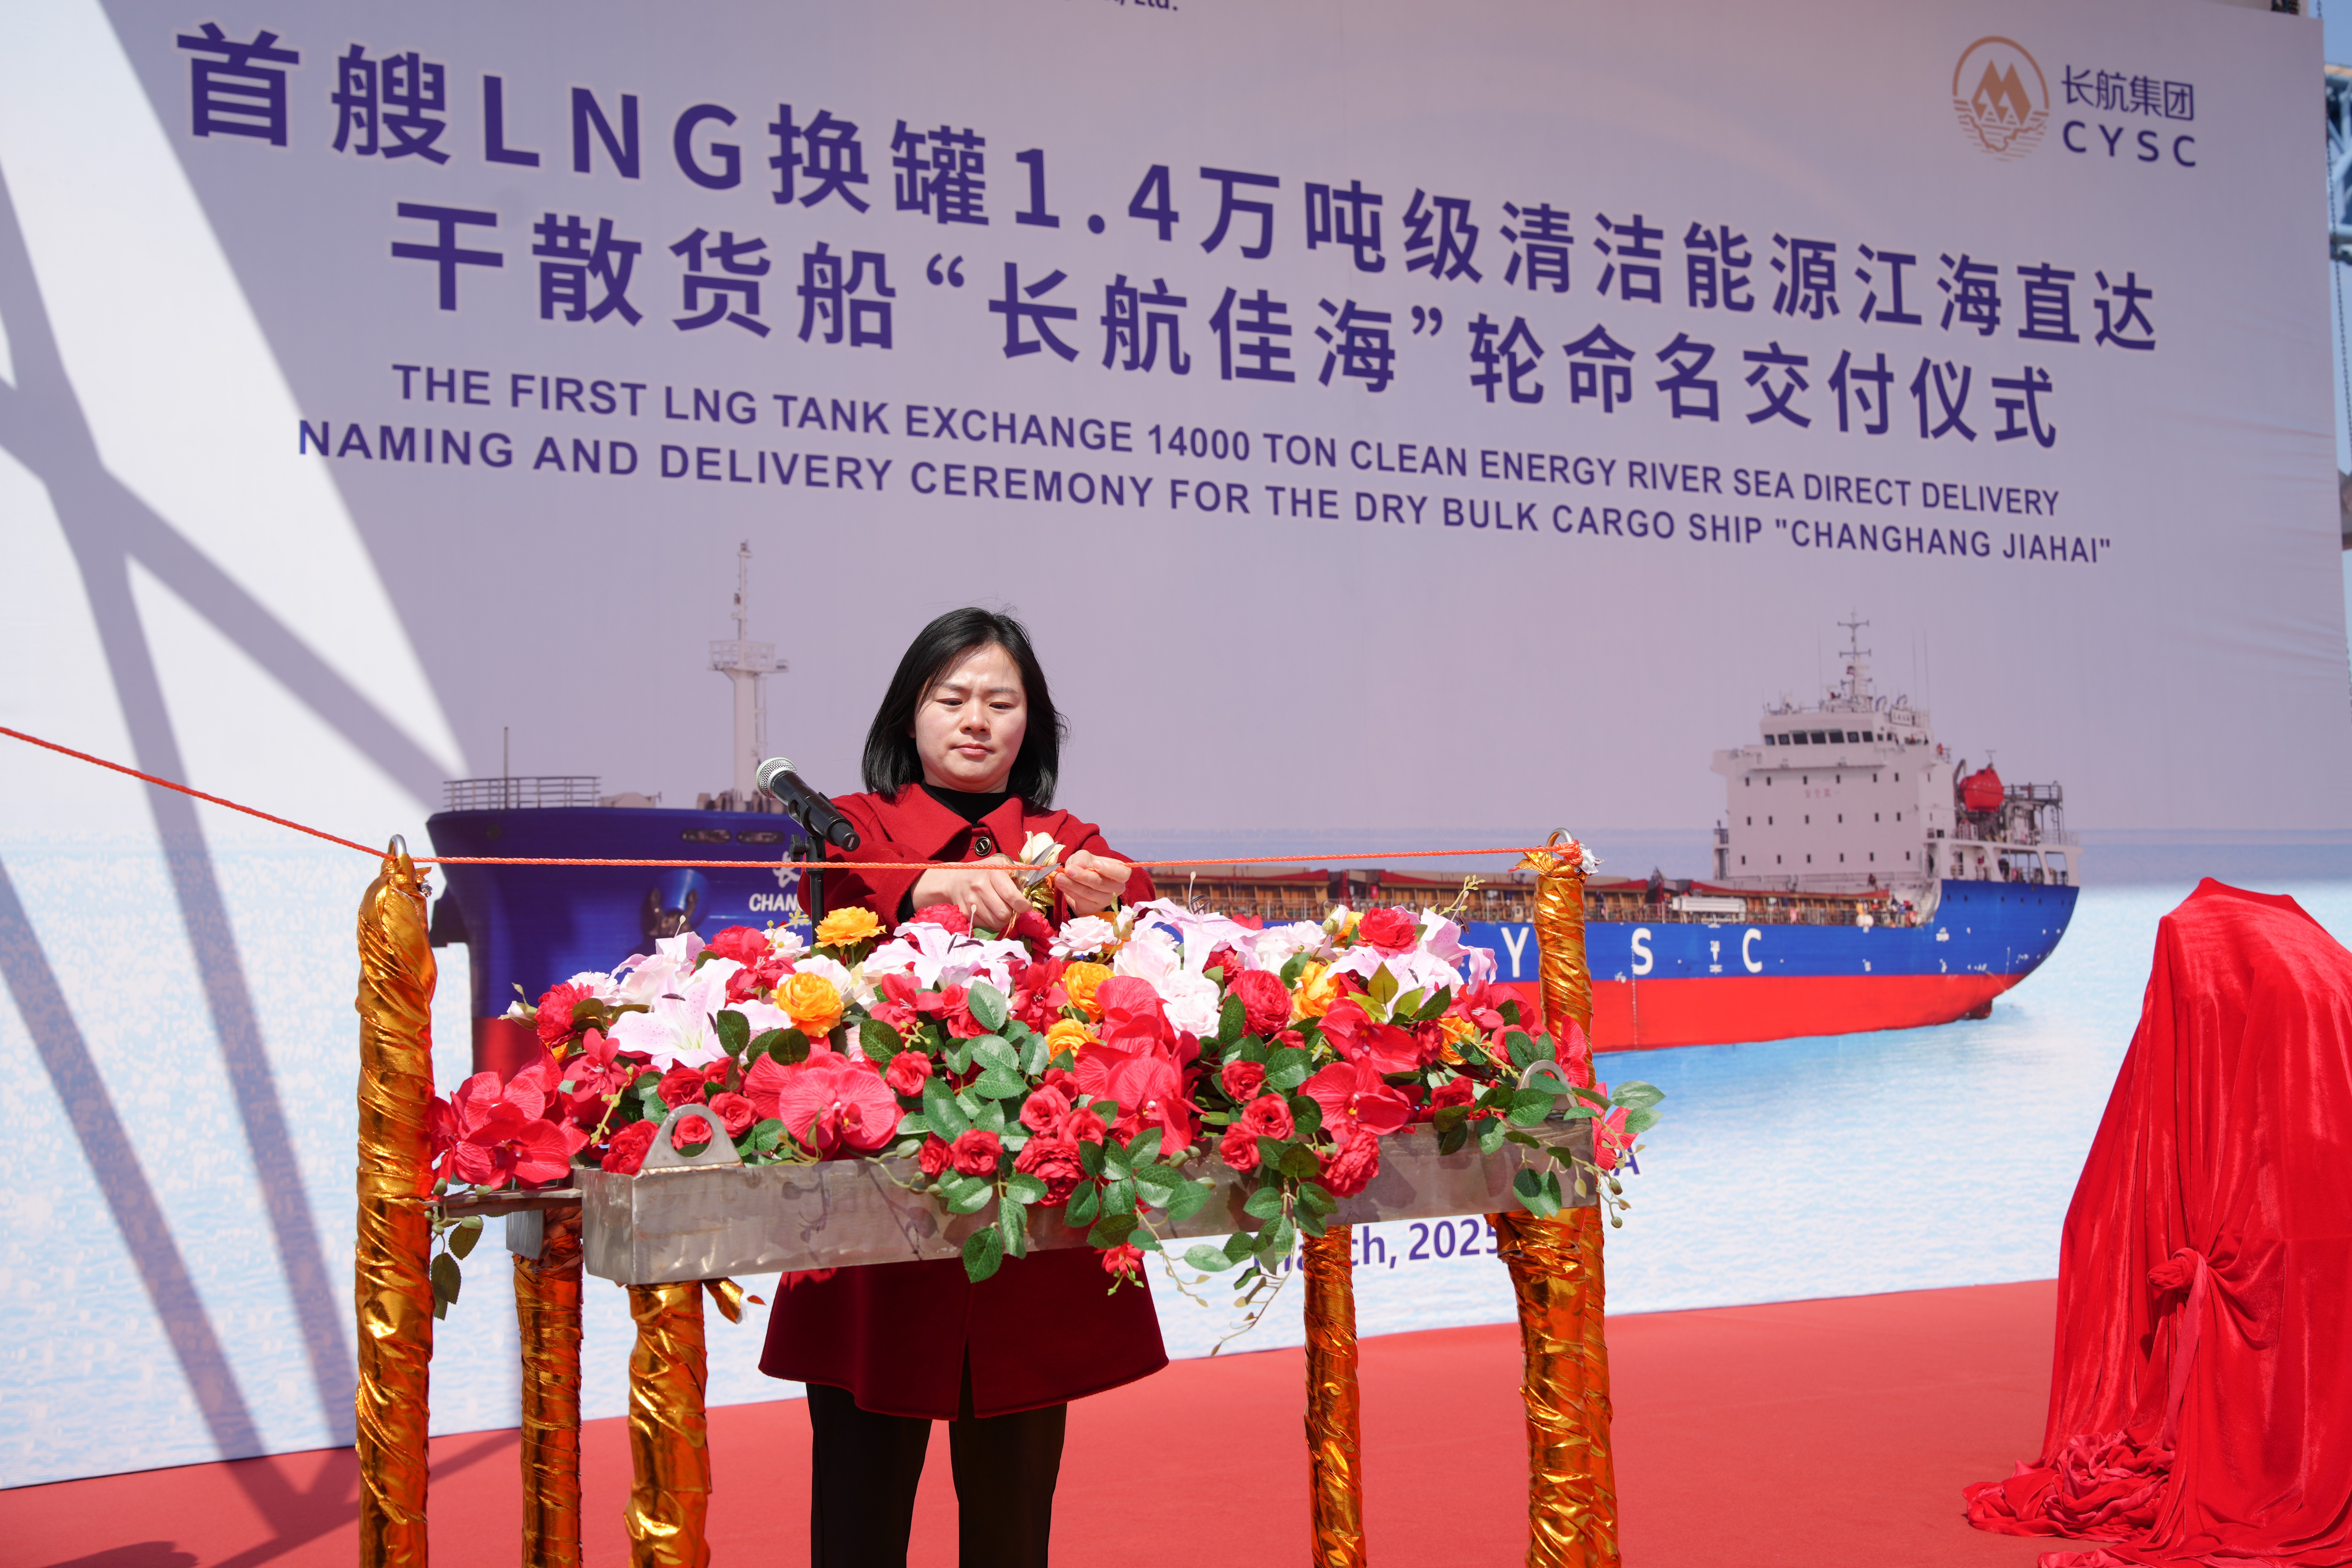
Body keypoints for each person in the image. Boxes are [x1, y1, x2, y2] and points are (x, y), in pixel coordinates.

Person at [760, 607, 1163, 1568]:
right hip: (880, 1211)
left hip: (1023, 1221)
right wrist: (928, 886)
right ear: (911, 713)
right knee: (857, 1517)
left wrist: (1116, 901)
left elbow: (1147, 949)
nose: (976, 719)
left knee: (1013, 1523)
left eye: (1001, 702)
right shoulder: (853, 824)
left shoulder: (1066, 838)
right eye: (952, 698)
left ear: (1033, 725)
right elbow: (835, 893)